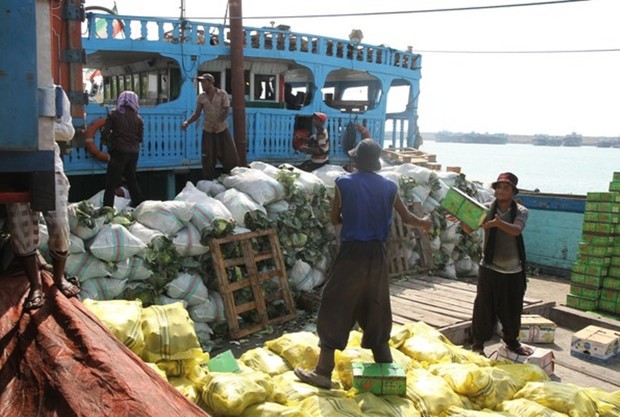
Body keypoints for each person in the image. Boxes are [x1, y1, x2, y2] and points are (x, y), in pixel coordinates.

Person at [294, 138, 432, 389]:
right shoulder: (390, 186)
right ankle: (385, 369)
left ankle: (323, 372)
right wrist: (424, 222)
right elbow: (408, 217)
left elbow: (335, 217)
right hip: (378, 255)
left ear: (356, 160)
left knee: (335, 304)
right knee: (376, 304)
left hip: (352, 253)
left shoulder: (343, 183)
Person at [6, 87, 80, 311]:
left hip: (48, 165)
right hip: (13, 167)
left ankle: (58, 279)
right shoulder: (7, 89)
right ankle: (35, 287)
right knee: (21, 230)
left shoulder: (55, 93)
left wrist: (31, 127)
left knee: (58, 223)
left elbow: (67, 131)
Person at [464, 172, 533, 357]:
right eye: (499, 187)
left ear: (513, 192)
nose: (501, 190)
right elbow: (470, 227)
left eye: (506, 188)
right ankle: (478, 345)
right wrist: (463, 218)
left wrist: (496, 223)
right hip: (489, 268)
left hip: (513, 270)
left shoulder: (520, 211)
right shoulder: (485, 209)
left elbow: (516, 230)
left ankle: (512, 341)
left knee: (512, 309)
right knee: (483, 308)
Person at [181, 73, 239, 180]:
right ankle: (208, 179)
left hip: (222, 130)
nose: (202, 84)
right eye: (201, 82)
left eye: (204, 82)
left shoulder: (222, 94)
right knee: (207, 157)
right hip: (208, 130)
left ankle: (235, 176)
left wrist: (220, 121)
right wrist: (187, 122)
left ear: (210, 82)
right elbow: (197, 114)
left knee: (229, 155)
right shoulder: (201, 97)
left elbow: (226, 110)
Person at [102, 90, 144, 209]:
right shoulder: (138, 118)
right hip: (133, 154)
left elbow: (105, 133)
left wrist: (110, 144)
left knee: (111, 183)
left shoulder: (114, 114)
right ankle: (140, 207)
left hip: (118, 152)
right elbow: (140, 138)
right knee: (132, 181)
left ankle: (107, 209)